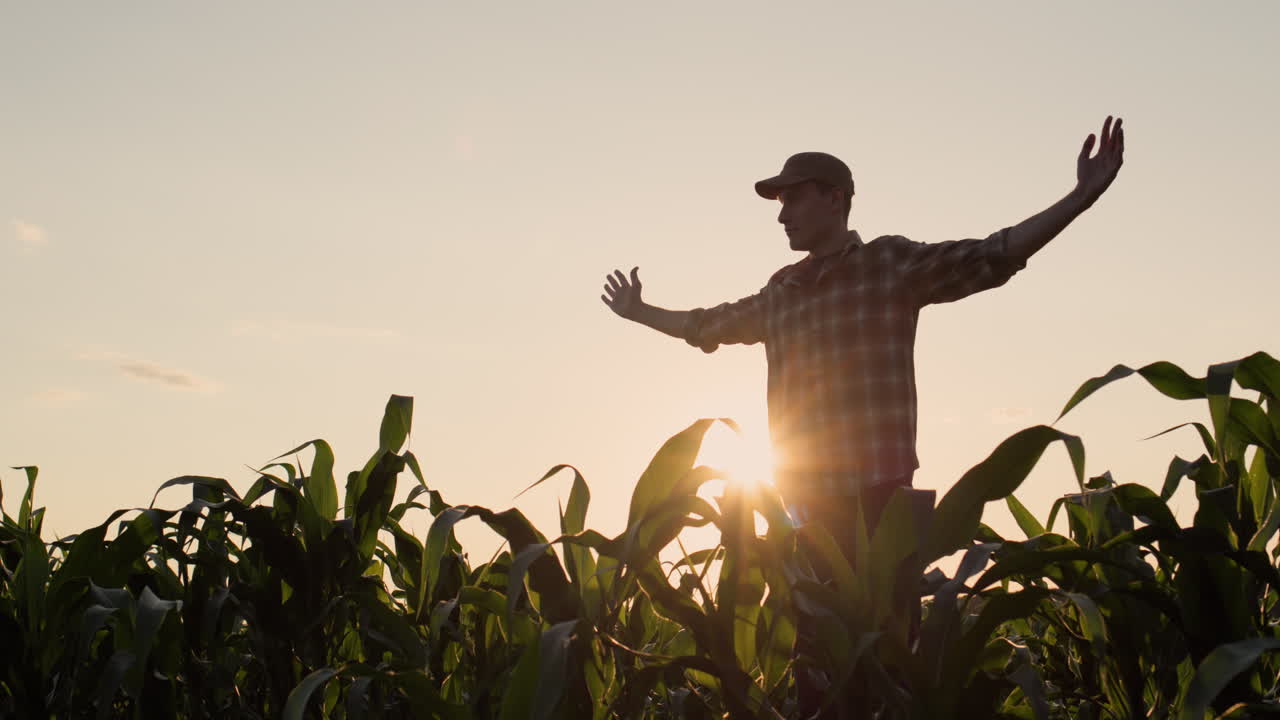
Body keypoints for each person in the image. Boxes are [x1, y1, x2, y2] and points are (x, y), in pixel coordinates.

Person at [601, 116, 1124, 717]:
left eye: (793, 198)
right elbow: (707, 325)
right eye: (779, 202)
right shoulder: (781, 291)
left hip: (882, 501)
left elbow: (994, 253)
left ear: (836, 198)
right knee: (817, 664)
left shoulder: (888, 265)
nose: (782, 215)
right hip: (804, 507)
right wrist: (641, 312)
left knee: (890, 659)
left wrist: (1081, 197)